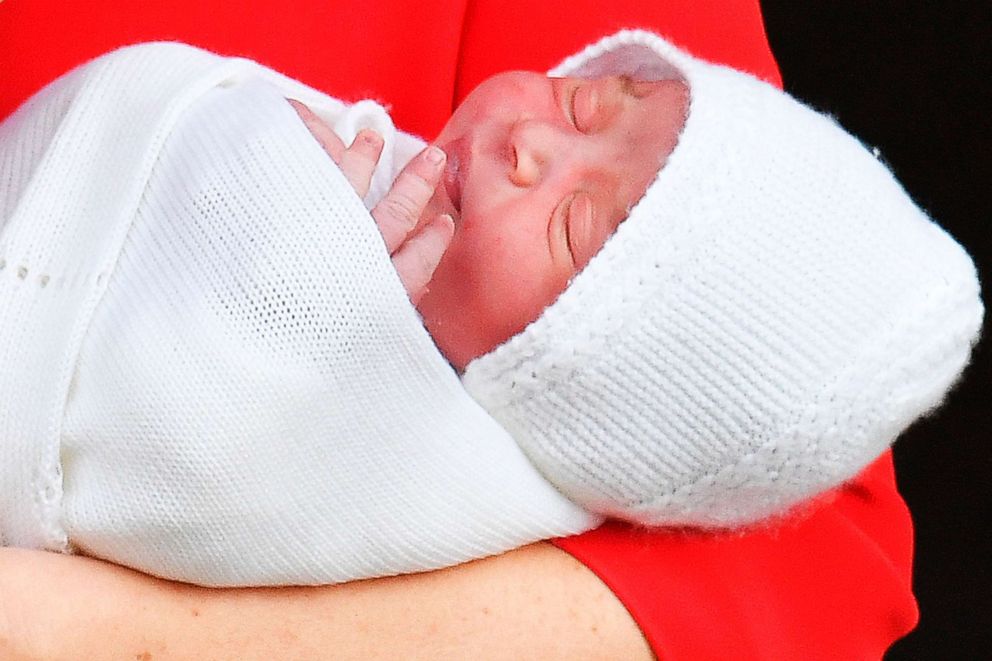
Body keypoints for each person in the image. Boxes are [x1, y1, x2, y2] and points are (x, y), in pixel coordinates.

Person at [0, 30, 981, 592]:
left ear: (561, 392)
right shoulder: (407, 192)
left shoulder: (439, 495)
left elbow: (163, 471)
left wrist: (288, 288)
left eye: (573, 225)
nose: (527, 146)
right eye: (588, 104)